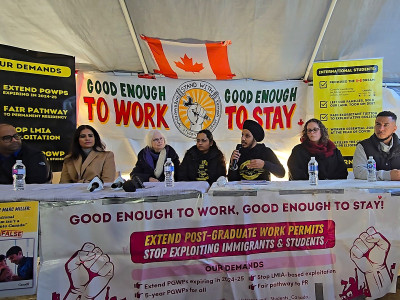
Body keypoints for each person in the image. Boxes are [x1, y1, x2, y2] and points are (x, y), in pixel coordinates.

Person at [353, 111, 400, 180]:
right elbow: (359, 172)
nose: (381, 129)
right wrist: (387, 175)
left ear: (394, 129)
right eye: (378, 124)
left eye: (385, 125)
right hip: (373, 190)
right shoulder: (363, 146)